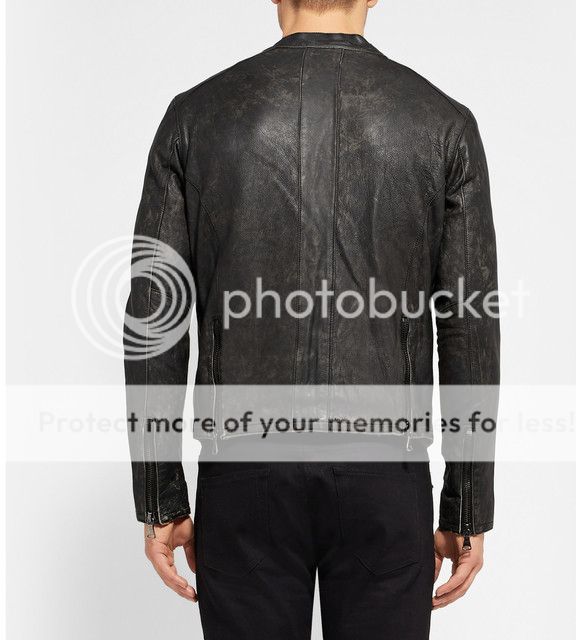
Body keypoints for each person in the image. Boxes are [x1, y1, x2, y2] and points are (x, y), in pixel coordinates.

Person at [124, 1, 500, 638]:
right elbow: (470, 323)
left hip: (244, 469)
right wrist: (467, 505)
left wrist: (161, 495)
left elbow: (154, 317)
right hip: (386, 471)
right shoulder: (443, 123)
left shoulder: (195, 116)